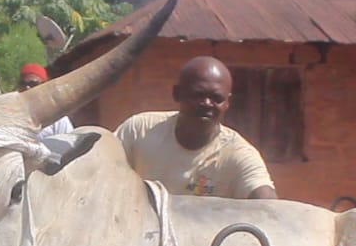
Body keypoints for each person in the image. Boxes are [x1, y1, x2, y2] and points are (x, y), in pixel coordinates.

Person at [115, 56, 277, 199]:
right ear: (177, 94)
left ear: (227, 103)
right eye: (198, 95)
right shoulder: (139, 131)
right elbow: (104, 166)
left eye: (216, 98)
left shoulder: (237, 154)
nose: (207, 104)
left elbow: (267, 203)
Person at [17, 63, 73, 139]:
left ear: (44, 86)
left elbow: (69, 142)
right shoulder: (12, 116)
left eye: (33, 84)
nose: (27, 87)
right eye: (23, 83)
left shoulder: (58, 119)